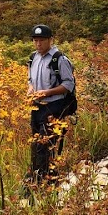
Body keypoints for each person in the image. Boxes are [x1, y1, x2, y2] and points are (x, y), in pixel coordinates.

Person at [26, 24, 76, 184]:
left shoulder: (59, 59)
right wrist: (31, 89)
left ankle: (51, 179)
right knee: (36, 143)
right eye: (35, 40)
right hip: (36, 107)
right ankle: (38, 177)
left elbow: (68, 85)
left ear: (50, 40)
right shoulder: (33, 58)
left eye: (42, 40)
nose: (38, 44)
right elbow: (30, 79)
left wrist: (47, 92)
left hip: (54, 107)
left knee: (49, 144)